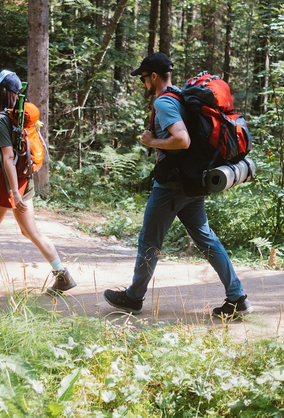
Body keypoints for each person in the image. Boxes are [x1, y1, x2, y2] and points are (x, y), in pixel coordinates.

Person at [103, 53, 253, 319]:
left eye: (143, 77)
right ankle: (237, 297)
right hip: (191, 182)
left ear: (153, 76)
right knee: (207, 239)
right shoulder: (181, 96)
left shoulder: (164, 103)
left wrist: (151, 142)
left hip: (171, 186)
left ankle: (134, 297)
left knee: (149, 241)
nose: (142, 83)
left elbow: (182, 140)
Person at [0, 69, 76, 296]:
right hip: (25, 179)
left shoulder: (1, 119)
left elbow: (7, 157)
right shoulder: (20, 118)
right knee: (30, 231)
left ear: (1, 91)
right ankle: (62, 274)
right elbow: (11, 155)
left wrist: (13, 192)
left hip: (6, 184)